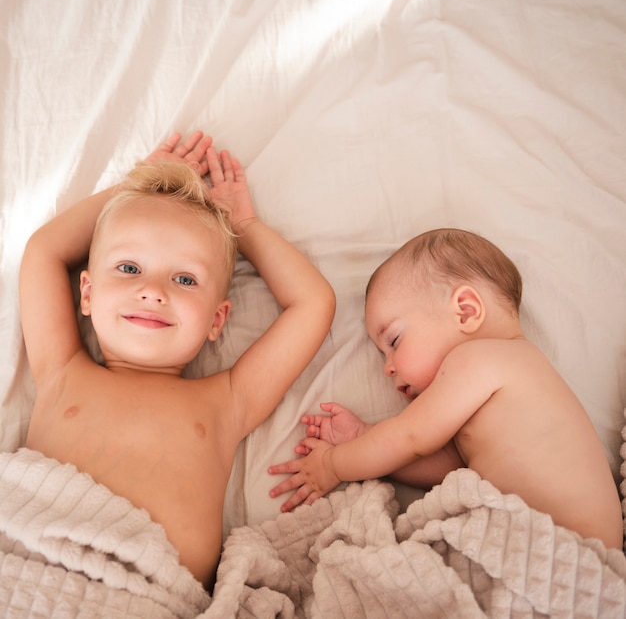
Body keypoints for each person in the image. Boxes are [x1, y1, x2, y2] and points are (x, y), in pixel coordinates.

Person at [19, 131, 336, 589]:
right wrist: (130, 187)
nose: (154, 290)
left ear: (216, 319)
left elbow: (313, 304)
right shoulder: (60, 370)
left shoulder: (228, 401)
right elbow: (43, 250)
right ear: (86, 293)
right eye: (129, 268)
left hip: (149, 596)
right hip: (31, 572)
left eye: (185, 279)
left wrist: (243, 227)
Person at [268, 228, 622, 551]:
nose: (387, 366)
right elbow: (446, 467)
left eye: (394, 340)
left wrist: (334, 464)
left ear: (466, 312)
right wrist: (364, 436)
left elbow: (410, 438)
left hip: (569, 550)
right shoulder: (503, 384)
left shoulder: (480, 358)